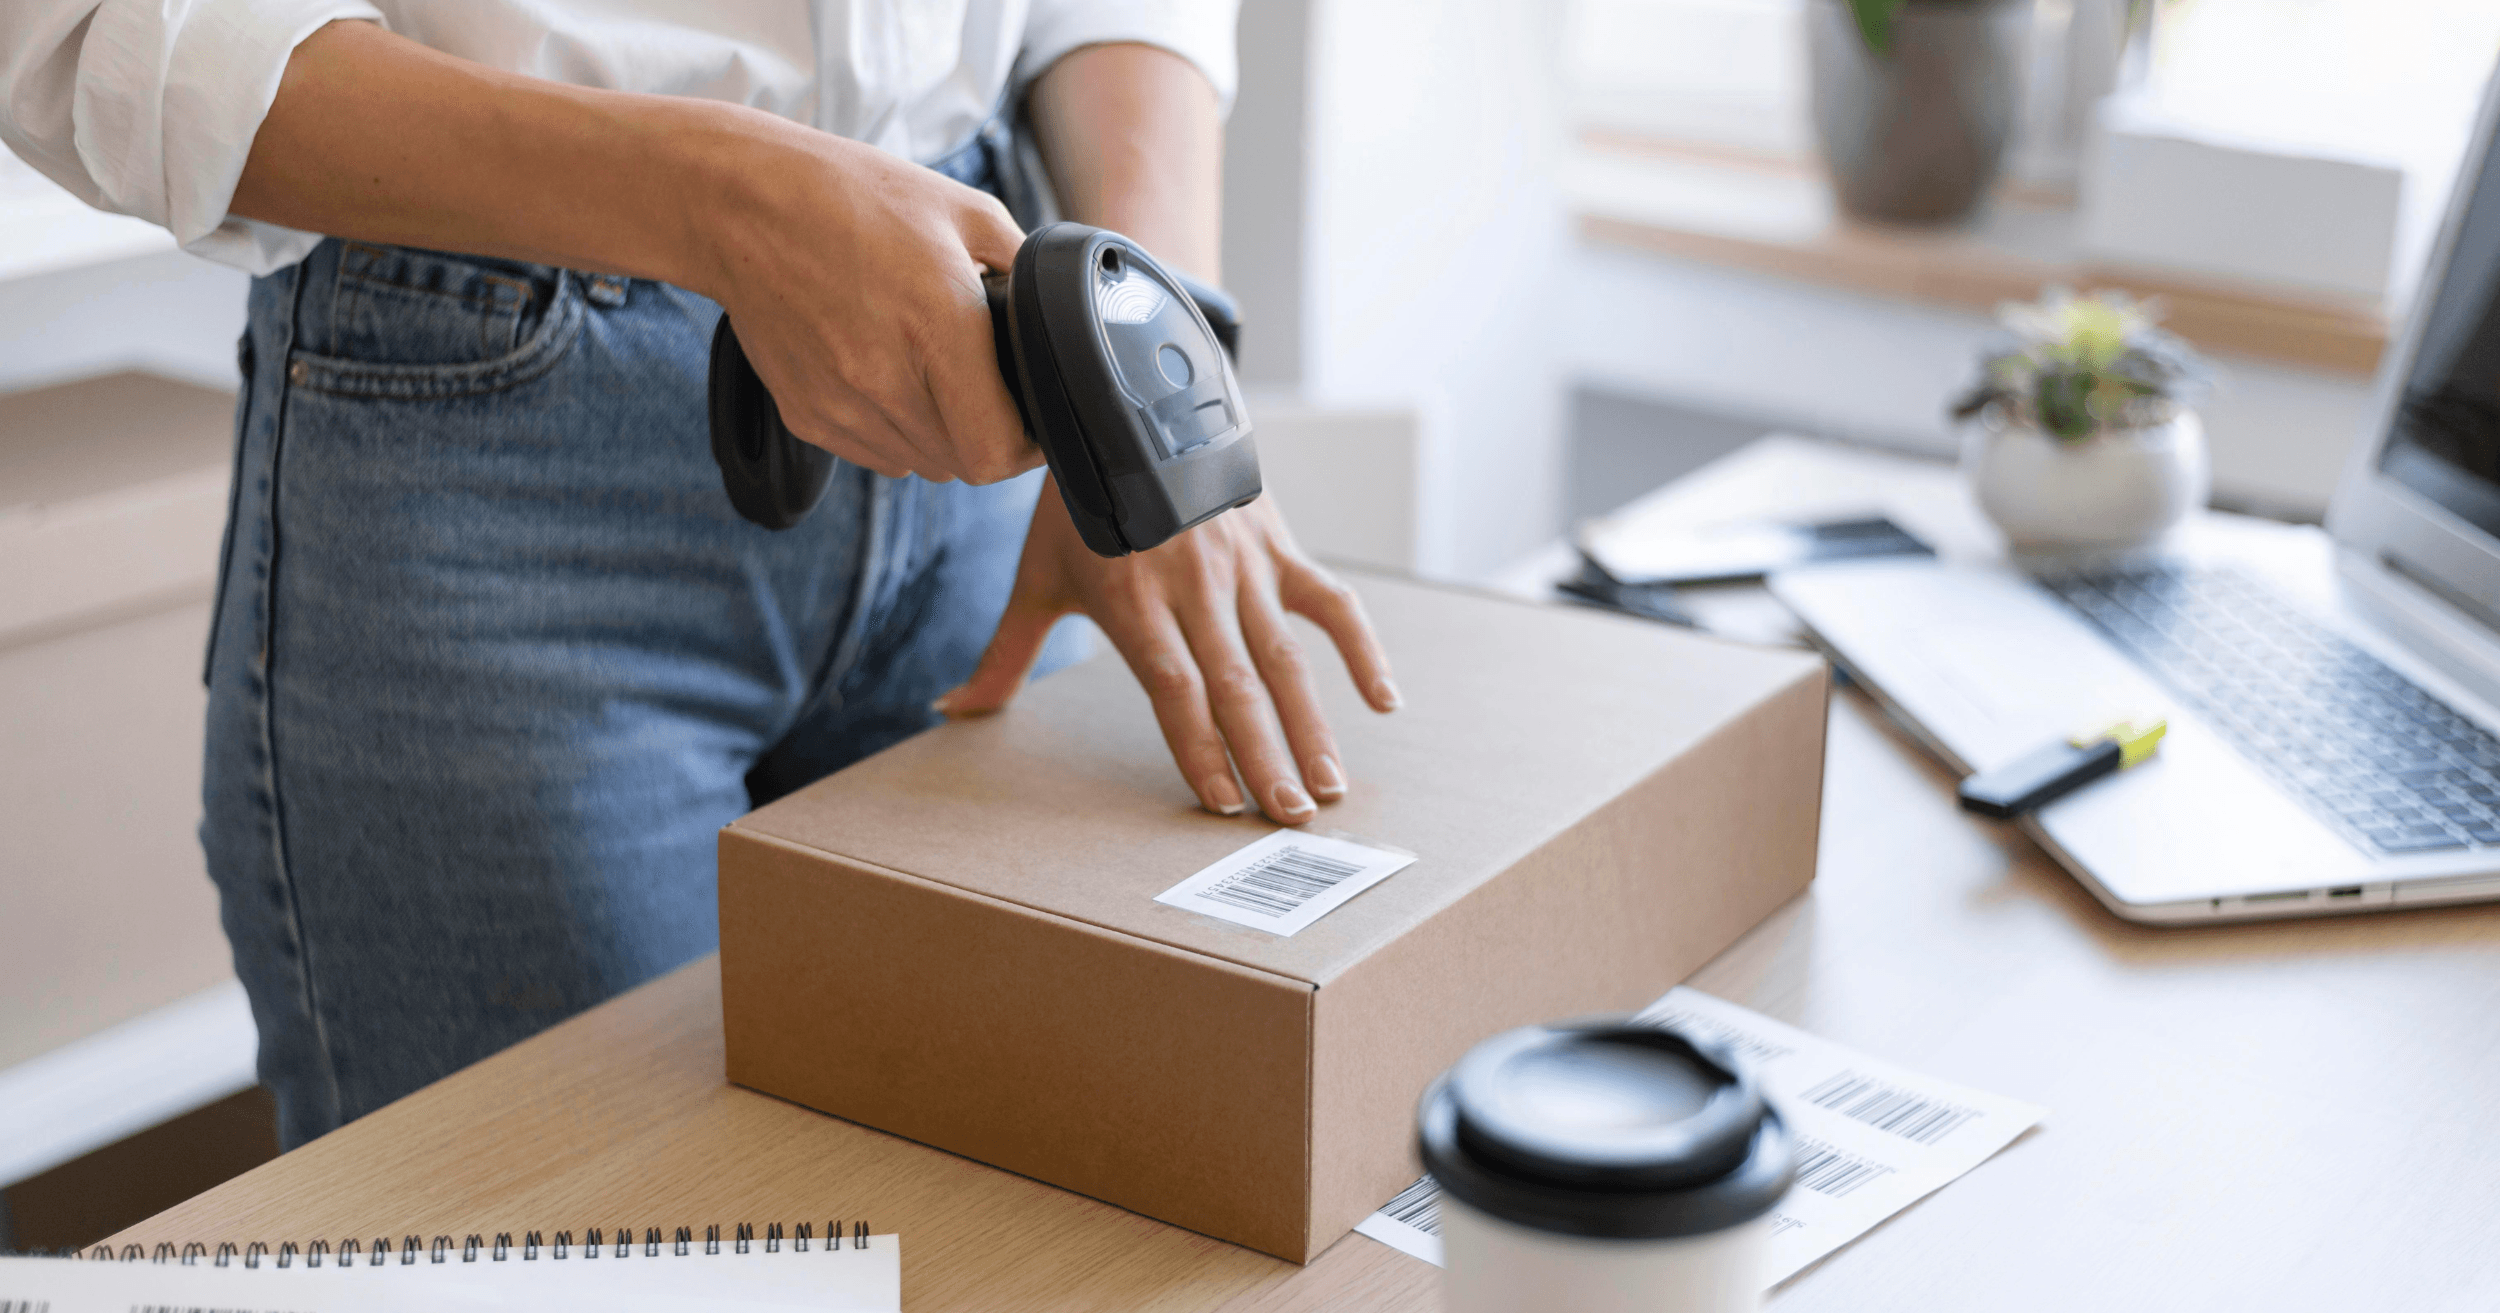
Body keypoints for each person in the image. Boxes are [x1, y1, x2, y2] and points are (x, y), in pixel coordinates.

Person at [0, 1, 1399, 1149]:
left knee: (1008, 1226)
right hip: (501, 431)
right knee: (564, 1257)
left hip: (987, 365)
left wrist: (1158, 366)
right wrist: (729, 202)